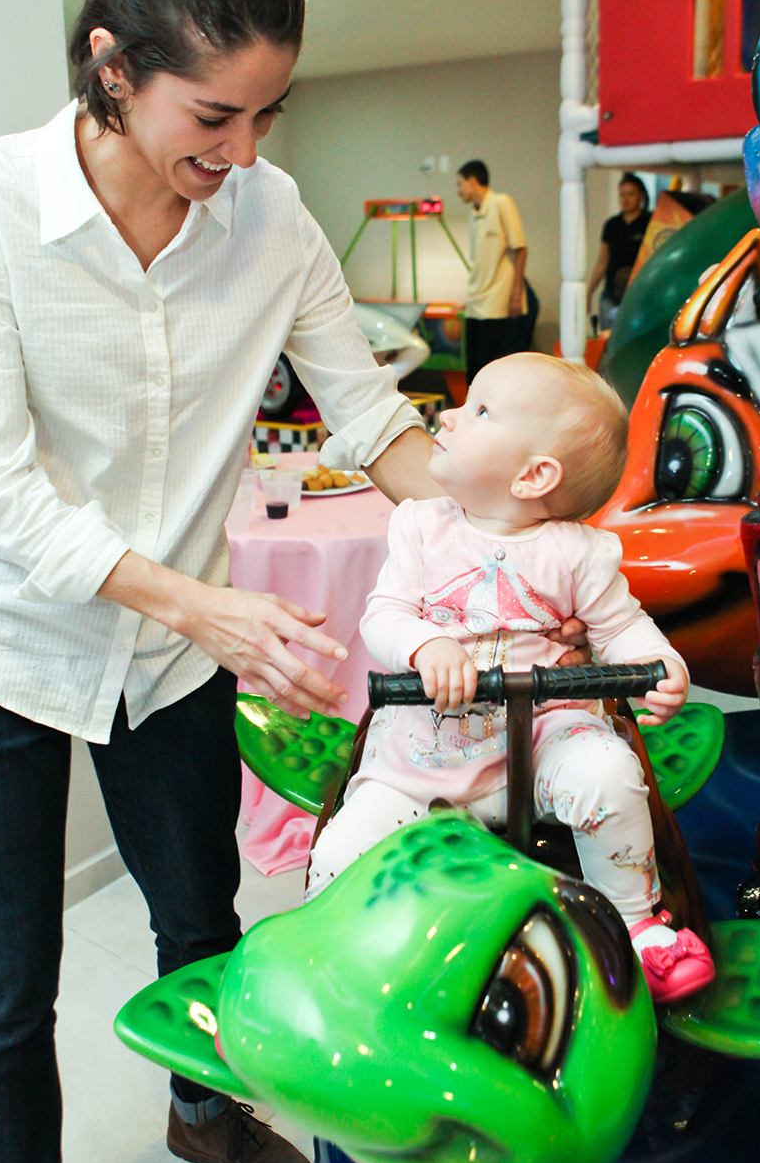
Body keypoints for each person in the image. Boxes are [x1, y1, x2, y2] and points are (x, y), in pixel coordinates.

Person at [0, 0, 443, 1163]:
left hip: (173, 645)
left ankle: (206, 1111)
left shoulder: (267, 217)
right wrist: (205, 599)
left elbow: (375, 415)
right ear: (111, 66)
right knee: (6, 982)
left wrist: (515, 503)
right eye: (215, 117)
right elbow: (2, 489)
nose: (246, 157)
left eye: (269, 116)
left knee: (201, 913)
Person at [306, 354, 715, 1007]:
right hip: (424, 756)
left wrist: (658, 665)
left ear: (533, 475)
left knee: (610, 773)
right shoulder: (420, 526)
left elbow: (620, 626)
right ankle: (329, 959)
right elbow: (382, 615)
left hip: (542, 741)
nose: (449, 414)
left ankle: (636, 925)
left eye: (481, 410)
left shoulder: (578, 551)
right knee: (342, 849)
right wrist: (425, 644)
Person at [456, 160, 532, 382]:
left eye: (460, 184)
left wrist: (516, 294)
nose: (458, 192)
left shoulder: (501, 203)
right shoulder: (473, 213)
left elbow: (520, 248)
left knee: (493, 373)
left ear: (472, 181)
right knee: (473, 373)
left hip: (497, 305)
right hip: (476, 304)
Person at [587, 172, 651, 329]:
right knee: (608, 339)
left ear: (641, 196)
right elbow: (602, 261)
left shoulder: (649, 222)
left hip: (638, 294)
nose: (625, 199)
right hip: (611, 294)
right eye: (622, 195)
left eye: (631, 194)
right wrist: (589, 293)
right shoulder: (612, 225)